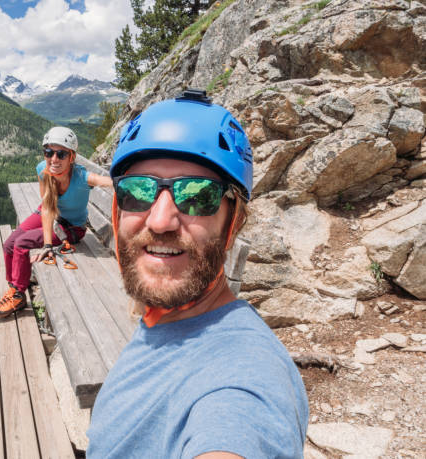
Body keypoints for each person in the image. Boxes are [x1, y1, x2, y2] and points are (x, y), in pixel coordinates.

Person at [86, 90, 309, 458]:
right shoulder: (166, 320)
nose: (160, 221)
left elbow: (234, 431)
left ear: (232, 222)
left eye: (197, 195)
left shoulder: (243, 378)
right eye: (138, 191)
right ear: (118, 209)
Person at [0, 126, 112, 317]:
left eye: (61, 154)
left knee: (22, 244)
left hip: (72, 227)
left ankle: (18, 295)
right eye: (48, 152)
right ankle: (14, 285)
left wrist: (135, 181)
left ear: (71, 157)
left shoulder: (82, 177)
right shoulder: (42, 169)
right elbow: (46, 207)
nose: (53, 159)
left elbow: (107, 181)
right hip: (50, 214)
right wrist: (47, 244)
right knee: (9, 245)